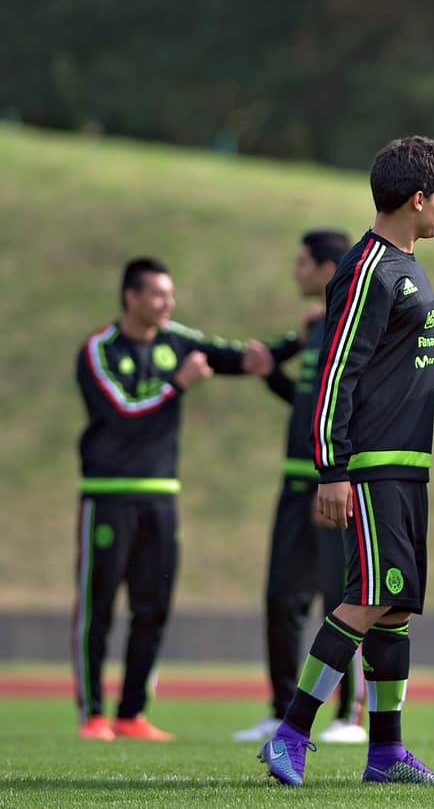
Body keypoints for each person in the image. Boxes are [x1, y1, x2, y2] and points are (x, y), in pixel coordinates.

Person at [258, 135, 434, 788]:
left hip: (407, 463)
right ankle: (290, 733)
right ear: (418, 199)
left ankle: (386, 753)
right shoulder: (368, 268)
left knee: (395, 608)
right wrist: (331, 468)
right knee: (369, 597)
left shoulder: (406, 267)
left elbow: (415, 336)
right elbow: (335, 371)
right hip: (371, 464)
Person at [74, 257, 279, 740]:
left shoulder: (177, 339)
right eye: (158, 296)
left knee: (153, 606)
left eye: (170, 295)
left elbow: (242, 358)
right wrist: (176, 385)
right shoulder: (100, 349)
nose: (168, 304)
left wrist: (298, 340)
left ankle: (131, 713)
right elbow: (124, 413)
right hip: (108, 496)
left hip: (162, 497)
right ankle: (93, 714)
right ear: (132, 297)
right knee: (97, 605)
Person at [233, 229, 369, 746]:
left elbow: (350, 409)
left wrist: (334, 477)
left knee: (343, 601)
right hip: (293, 489)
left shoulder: (345, 323)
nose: (295, 272)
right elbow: (312, 405)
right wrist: (272, 377)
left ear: (328, 266)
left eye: (302, 263)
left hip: (329, 487)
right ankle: (281, 709)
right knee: (280, 600)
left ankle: (347, 718)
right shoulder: (314, 327)